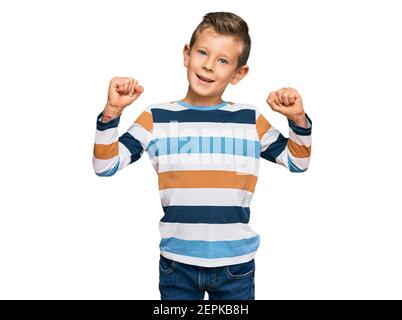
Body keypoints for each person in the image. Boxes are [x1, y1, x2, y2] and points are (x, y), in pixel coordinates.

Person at [92, 11, 312, 300]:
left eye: (223, 60)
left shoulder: (249, 119)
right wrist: (112, 112)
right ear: (187, 54)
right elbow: (105, 165)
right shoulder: (156, 117)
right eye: (202, 53)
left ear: (238, 73)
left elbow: (298, 161)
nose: (208, 66)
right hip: (177, 265)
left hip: (236, 266)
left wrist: (297, 119)